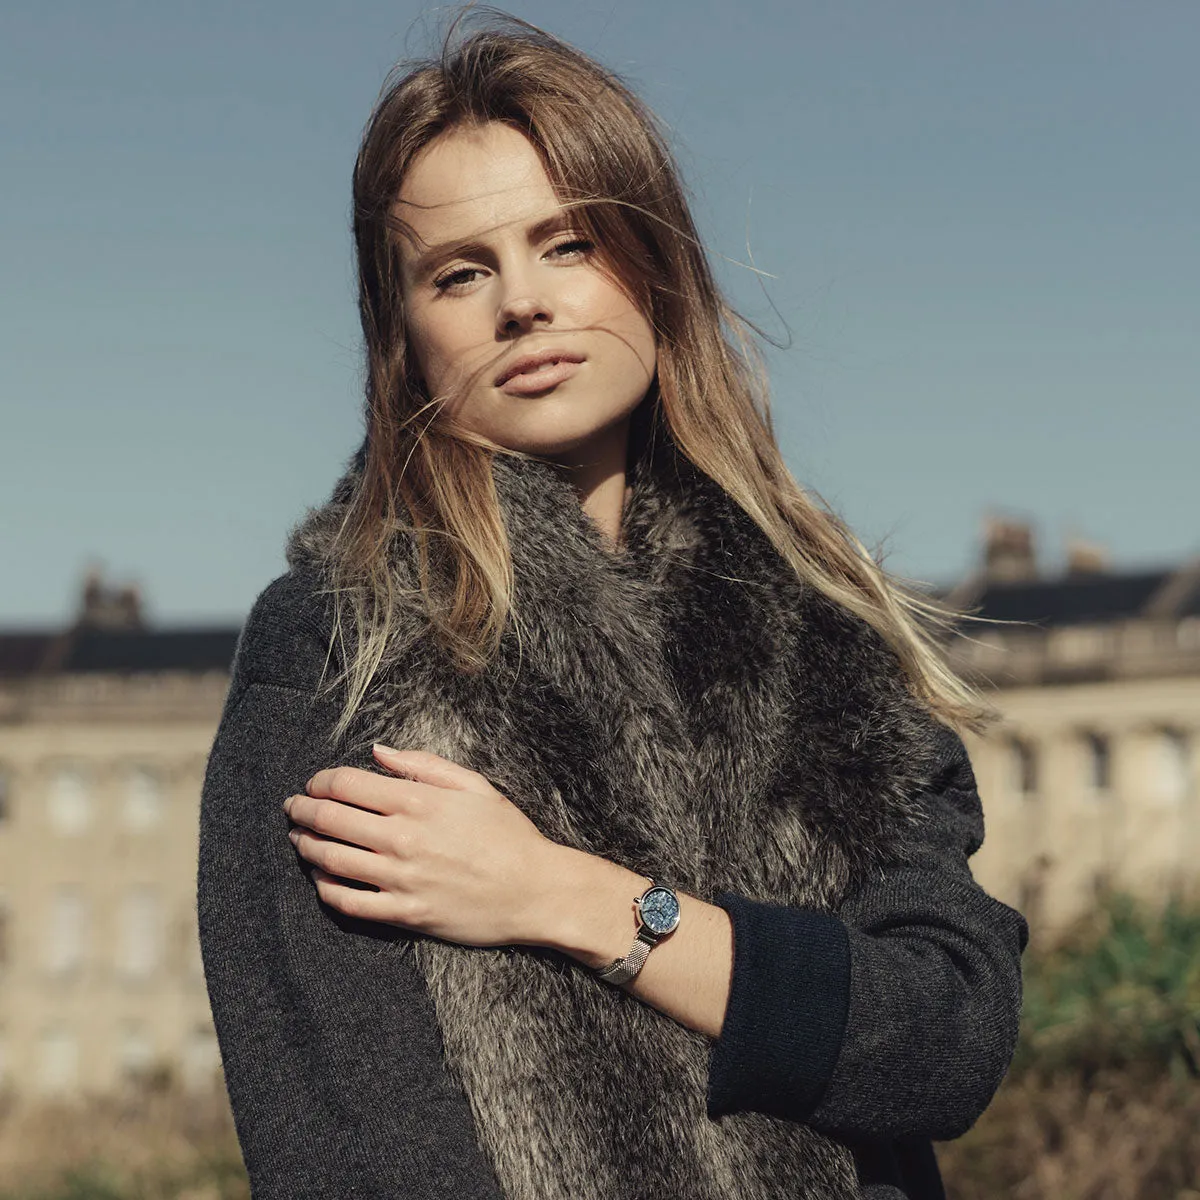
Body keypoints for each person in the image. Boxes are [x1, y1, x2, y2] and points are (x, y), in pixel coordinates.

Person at [197, 14, 1028, 1200]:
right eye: (460, 272)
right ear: (405, 339)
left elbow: (948, 1040)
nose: (521, 305)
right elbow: (346, 1144)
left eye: (568, 244)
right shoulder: (344, 647)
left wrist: (563, 896)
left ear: (656, 264)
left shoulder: (821, 643)